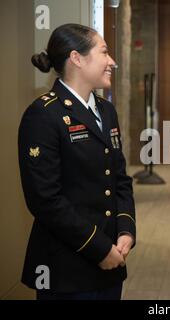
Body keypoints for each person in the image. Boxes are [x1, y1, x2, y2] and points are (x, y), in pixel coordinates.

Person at [18, 23, 136, 300]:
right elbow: (45, 199)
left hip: (111, 261)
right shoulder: (43, 115)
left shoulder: (106, 111)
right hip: (67, 267)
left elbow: (119, 178)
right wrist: (99, 249)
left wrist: (126, 230)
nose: (112, 62)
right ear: (77, 58)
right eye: (105, 52)